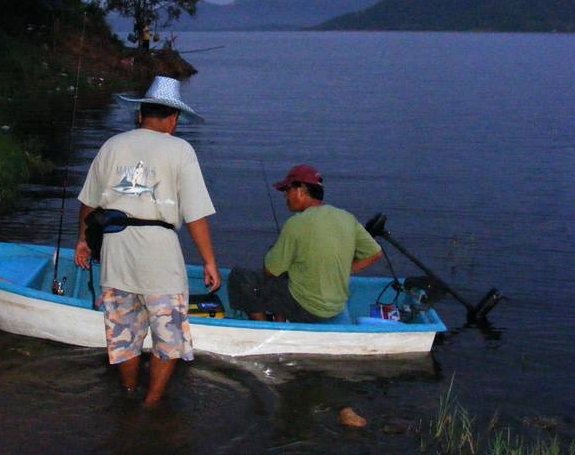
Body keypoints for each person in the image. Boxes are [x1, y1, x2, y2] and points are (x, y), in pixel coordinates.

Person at [74, 76, 220, 406]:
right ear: (174, 120)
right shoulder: (181, 149)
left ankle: (127, 393)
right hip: (160, 255)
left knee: (123, 336)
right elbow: (195, 213)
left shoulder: (112, 145)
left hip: (116, 251)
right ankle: (151, 404)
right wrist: (209, 261)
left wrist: (82, 241)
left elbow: (89, 202)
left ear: (140, 114)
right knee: (168, 338)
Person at [229, 164, 382, 323]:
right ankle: (280, 322)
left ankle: (263, 328)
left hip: (306, 309)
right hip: (335, 307)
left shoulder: (295, 223)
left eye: (287, 191)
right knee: (288, 269)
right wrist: (345, 270)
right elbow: (375, 253)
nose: (286, 197)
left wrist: (272, 254)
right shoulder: (347, 218)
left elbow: (270, 271)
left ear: (301, 190)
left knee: (240, 277)